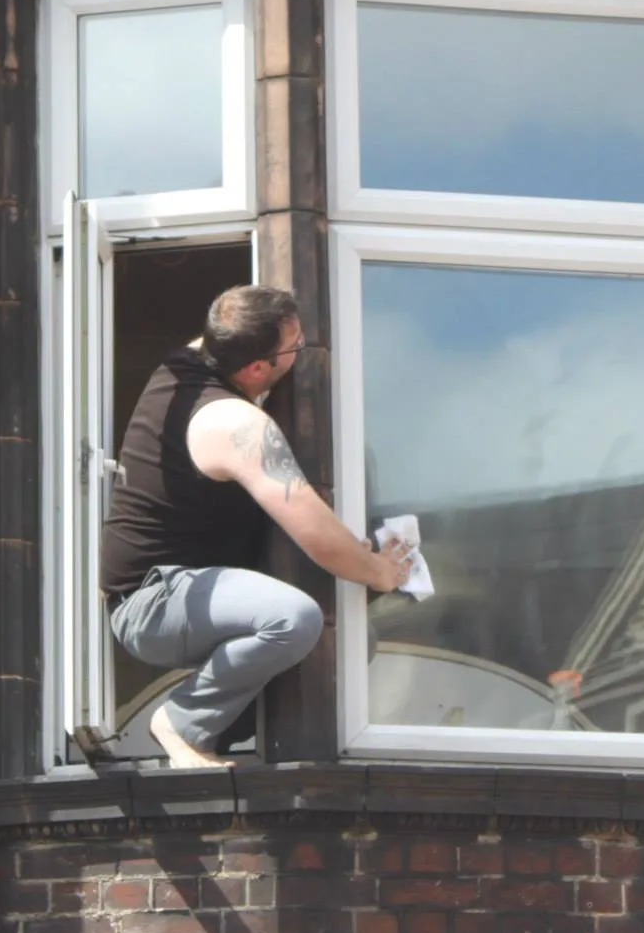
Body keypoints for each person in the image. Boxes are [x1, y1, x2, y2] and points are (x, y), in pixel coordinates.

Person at [100, 285, 413, 768]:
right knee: (292, 619)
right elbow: (315, 534)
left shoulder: (198, 352)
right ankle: (181, 721)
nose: (302, 349)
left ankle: (224, 736)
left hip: (187, 587)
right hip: (154, 601)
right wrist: (379, 571)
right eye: (296, 347)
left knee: (352, 643)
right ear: (256, 369)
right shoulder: (231, 424)